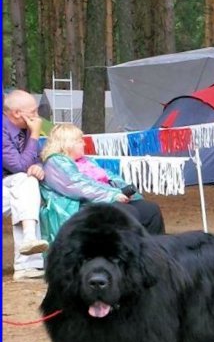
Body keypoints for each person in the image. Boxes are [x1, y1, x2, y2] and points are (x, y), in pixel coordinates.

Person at [40, 123, 165, 240]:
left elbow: (109, 177)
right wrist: (112, 195)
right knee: (126, 213)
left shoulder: (87, 161)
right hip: (79, 207)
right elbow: (79, 186)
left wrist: (126, 191)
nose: (84, 144)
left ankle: (155, 253)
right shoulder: (55, 162)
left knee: (150, 210)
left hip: (103, 201)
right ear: (67, 144)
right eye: (79, 141)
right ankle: (128, 256)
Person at [2, 89, 50, 281]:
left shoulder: (25, 128)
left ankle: (27, 263)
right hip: (8, 184)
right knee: (24, 180)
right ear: (16, 113)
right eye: (33, 112)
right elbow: (19, 165)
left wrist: (38, 167)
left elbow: (33, 160)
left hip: (12, 188)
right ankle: (26, 260)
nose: (37, 117)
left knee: (27, 182)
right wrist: (36, 135)